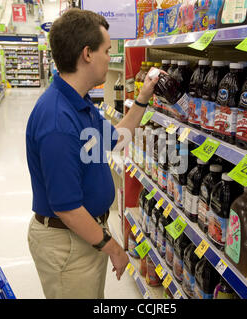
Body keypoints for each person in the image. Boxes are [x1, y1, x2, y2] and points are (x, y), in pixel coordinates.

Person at [25, 9, 159, 299]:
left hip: (86, 235)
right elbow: (67, 208)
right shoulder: (57, 120)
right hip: (67, 244)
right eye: (107, 50)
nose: (110, 57)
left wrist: (143, 98)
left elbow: (115, 140)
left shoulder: (79, 102)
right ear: (87, 53)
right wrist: (112, 247)